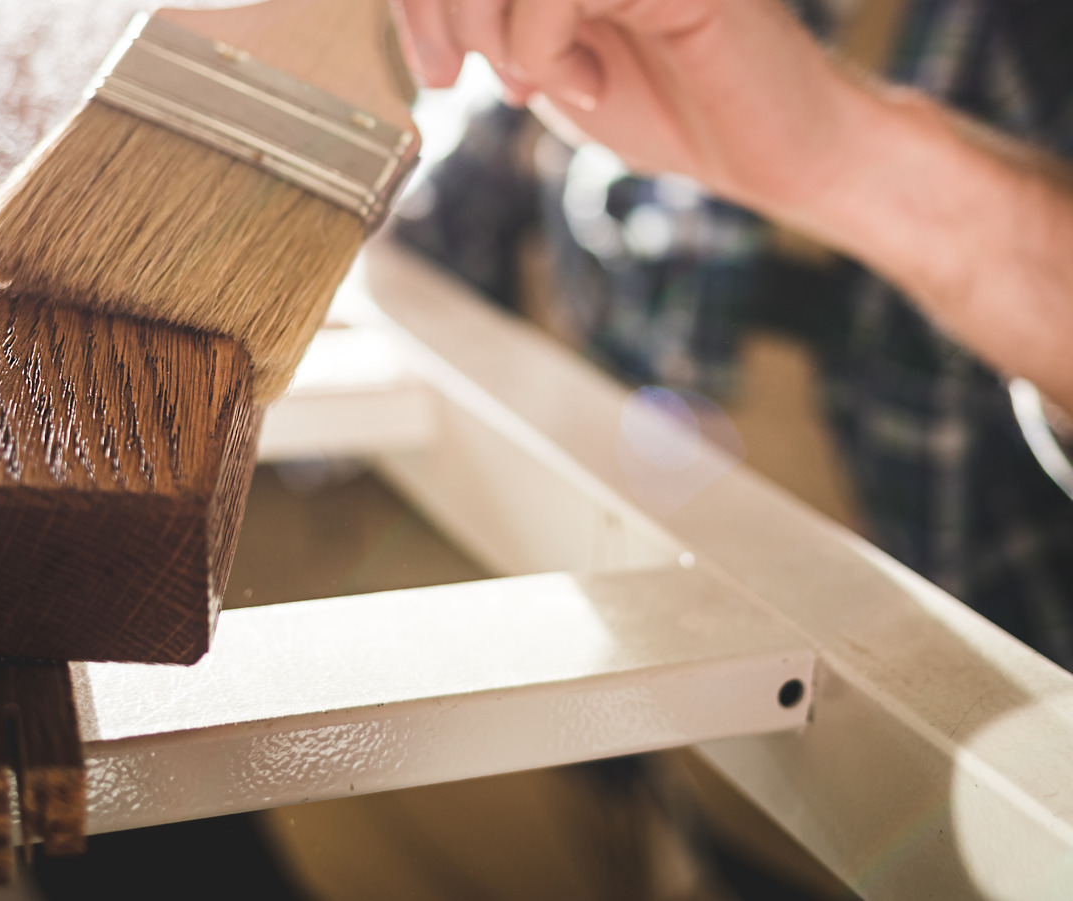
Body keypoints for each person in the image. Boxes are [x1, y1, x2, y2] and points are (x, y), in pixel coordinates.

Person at [390, 0, 1073, 669]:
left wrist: (846, 155)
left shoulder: (1012, 36)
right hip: (633, 711)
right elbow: (429, 251)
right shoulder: (549, 53)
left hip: (961, 737)